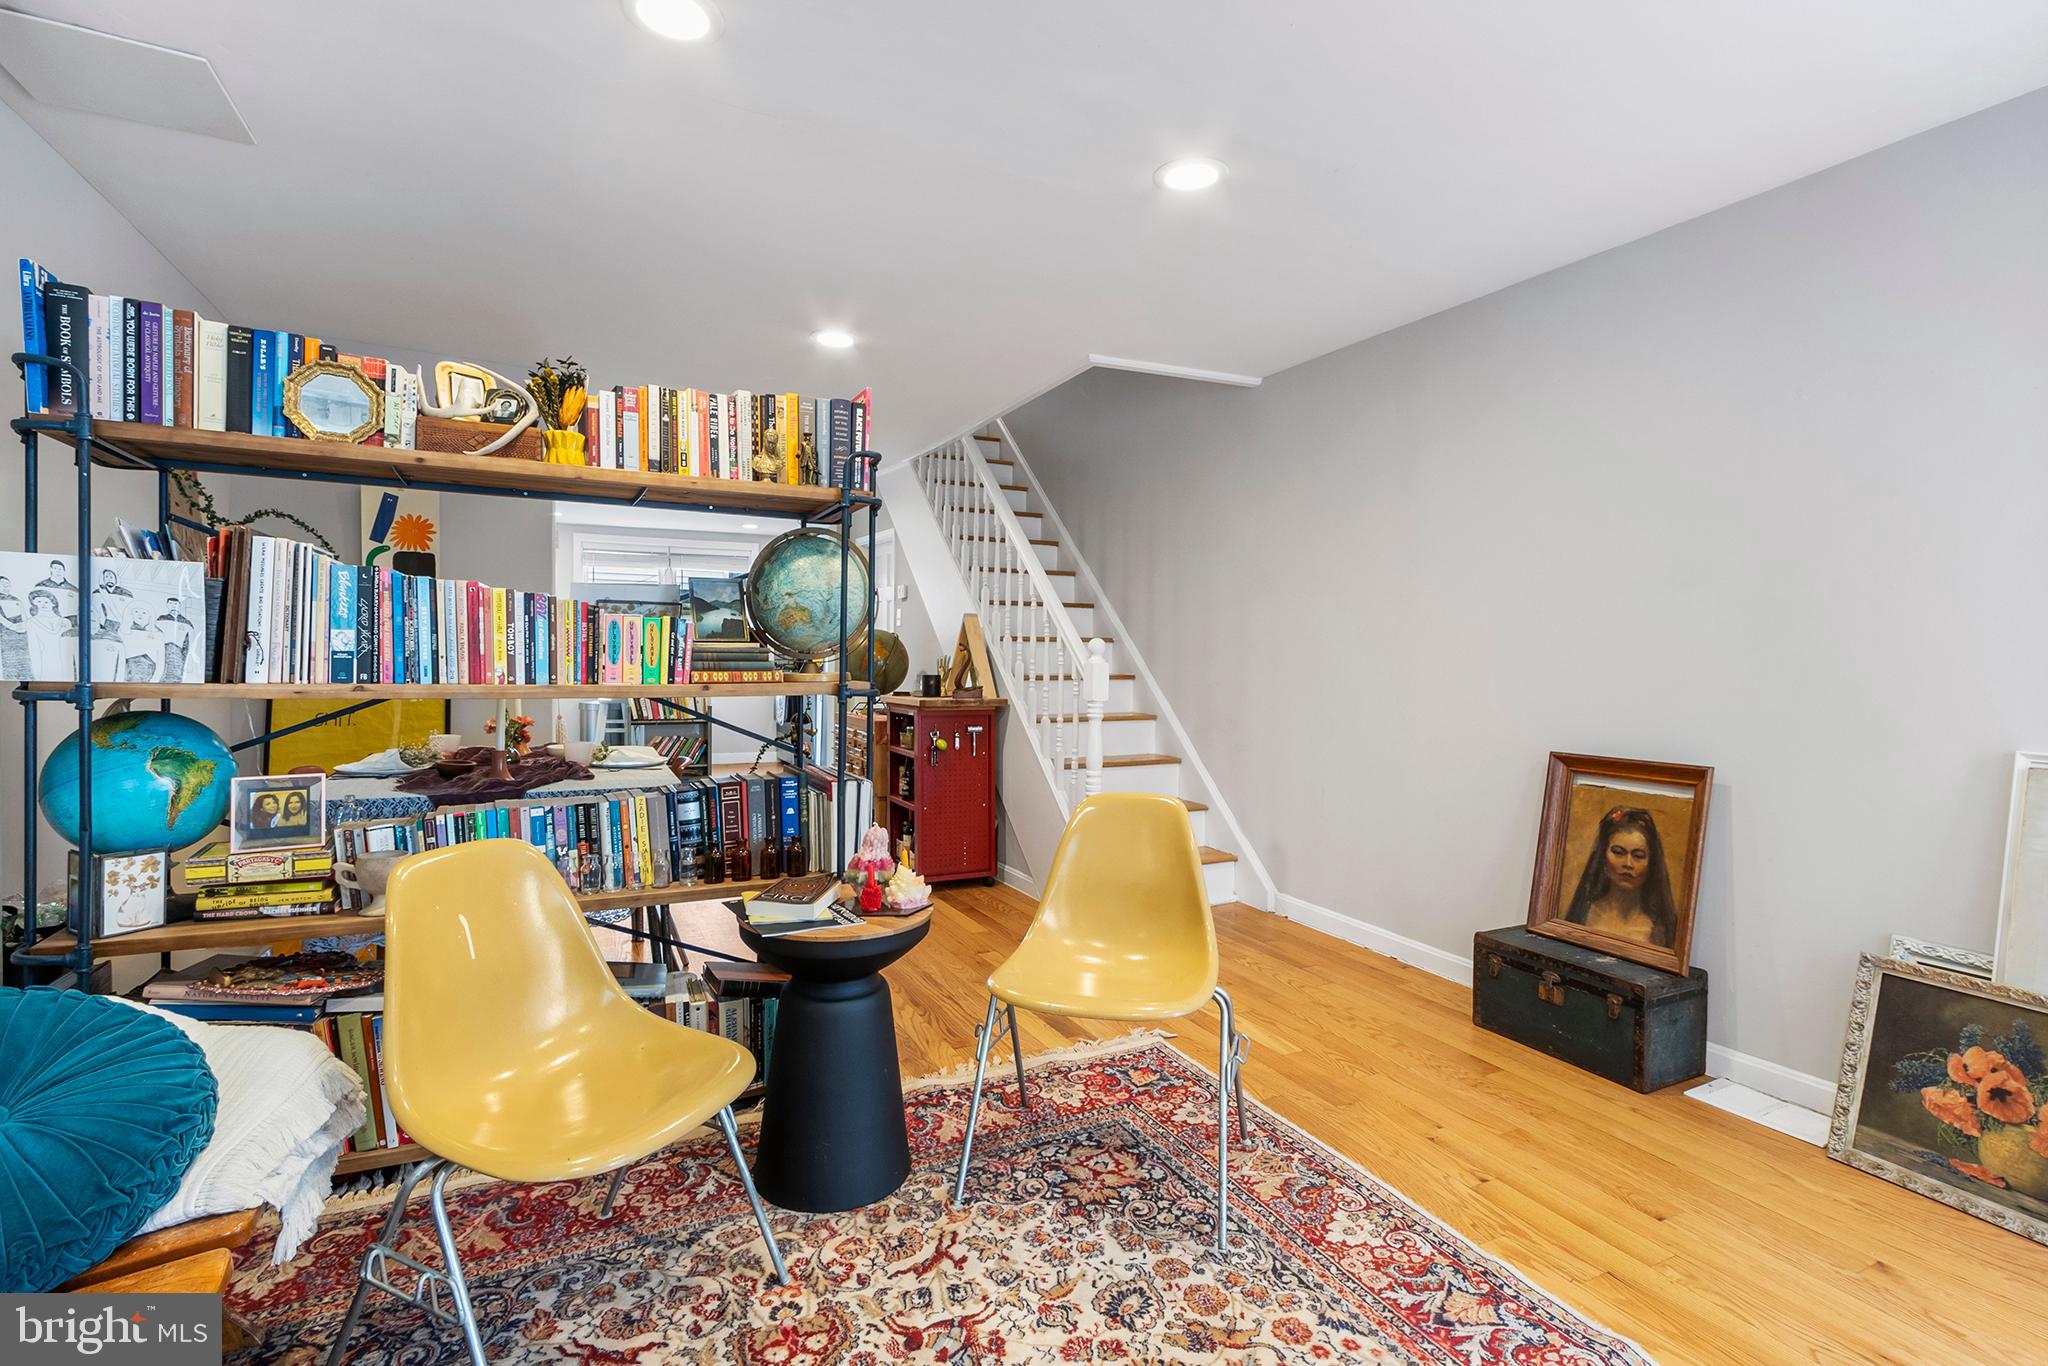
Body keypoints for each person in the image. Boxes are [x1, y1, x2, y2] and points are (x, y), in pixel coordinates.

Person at [1561, 805, 1680, 948]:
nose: (1628, 864)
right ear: (1603, 856)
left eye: (1638, 856)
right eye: (1618, 852)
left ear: (1651, 862)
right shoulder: (1583, 914)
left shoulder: (1662, 930)